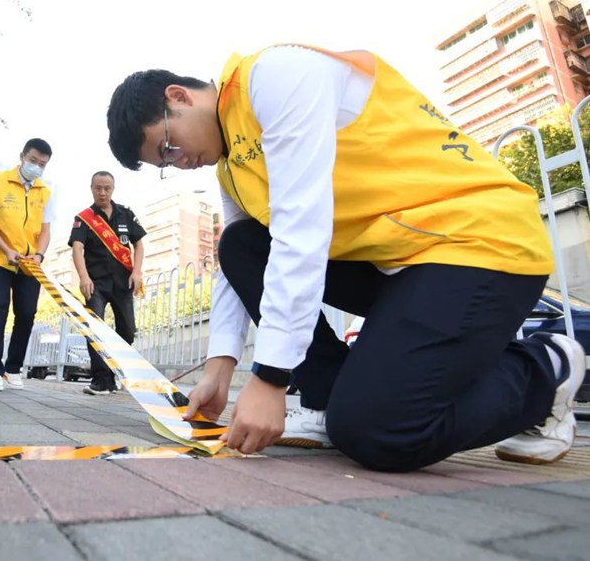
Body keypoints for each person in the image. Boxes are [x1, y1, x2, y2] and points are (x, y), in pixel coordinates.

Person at [105, 43, 586, 472]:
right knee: (241, 243)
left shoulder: (275, 77)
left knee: (379, 433)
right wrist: (220, 366)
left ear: (179, 96)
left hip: (479, 245)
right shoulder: (232, 168)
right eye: (164, 165)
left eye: (168, 147)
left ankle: (546, 368)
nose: (178, 162)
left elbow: (301, 230)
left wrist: (270, 379)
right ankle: (326, 398)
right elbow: (240, 267)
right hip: (402, 264)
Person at [0, 138, 56, 391]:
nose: (36, 167)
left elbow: (45, 230)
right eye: (33, 161)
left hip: (29, 263)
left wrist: (39, 255)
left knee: (26, 314)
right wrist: (6, 250)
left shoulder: (44, 191)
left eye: (42, 164)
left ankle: (13, 368)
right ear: (22, 156)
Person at [69, 171, 146, 395]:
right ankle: (101, 380)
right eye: (98, 188)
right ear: (91, 188)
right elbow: (77, 249)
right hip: (96, 284)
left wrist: (137, 272)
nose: (102, 192)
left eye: (107, 188)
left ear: (113, 188)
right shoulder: (84, 218)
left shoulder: (126, 214)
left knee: (128, 331)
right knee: (95, 328)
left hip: (123, 283)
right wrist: (83, 277)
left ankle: (113, 372)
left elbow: (139, 244)